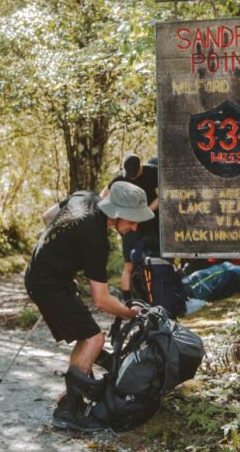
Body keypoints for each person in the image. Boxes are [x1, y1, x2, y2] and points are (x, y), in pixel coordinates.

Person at [24, 181, 154, 432]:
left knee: (87, 338)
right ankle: (68, 412)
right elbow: (101, 300)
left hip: (44, 275)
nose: (134, 227)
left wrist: (61, 254)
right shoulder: (96, 240)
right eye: (132, 220)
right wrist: (129, 313)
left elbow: (48, 216)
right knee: (94, 339)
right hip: (46, 285)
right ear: (116, 214)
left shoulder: (84, 197)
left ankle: (70, 397)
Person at [100, 154, 159, 301]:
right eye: (129, 174)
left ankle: (155, 295)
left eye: (134, 174)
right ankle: (127, 299)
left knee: (153, 259)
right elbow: (103, 196)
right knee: (129, 265)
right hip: (128, 225)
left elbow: (161, 196)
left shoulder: (152, 171)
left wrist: (145, 214)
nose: (131, 177)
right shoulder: (121, 177)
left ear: (140, 167)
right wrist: (117, 216)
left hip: (152, 223)